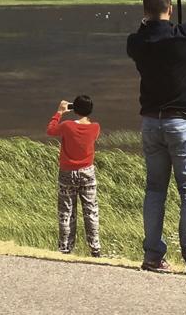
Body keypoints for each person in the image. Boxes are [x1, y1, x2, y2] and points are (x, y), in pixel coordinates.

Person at [127, 0, 186, 277]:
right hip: (182, 122)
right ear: (169, 9)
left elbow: (143, 31)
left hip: (151, 123)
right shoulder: (185, 37)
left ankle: (153, 255)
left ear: (144, 11)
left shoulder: (137, 43)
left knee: (155, 189)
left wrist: (149, 19)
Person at [46, 94, 102, 257]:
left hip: (67, 172)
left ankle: (65, 247)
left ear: (74, 109)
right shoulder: (95, 127)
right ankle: (95, 248)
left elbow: (50, 130)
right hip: (87, 172)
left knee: (67, 211)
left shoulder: (67, 126)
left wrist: (59, 112)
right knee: (91, 210)